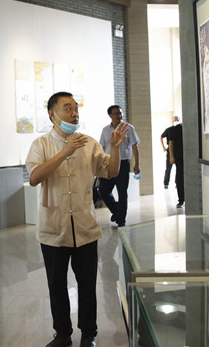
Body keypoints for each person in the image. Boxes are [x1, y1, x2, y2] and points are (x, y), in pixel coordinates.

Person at [25, 92, 128, 347]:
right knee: (56, 285)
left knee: (87, 285)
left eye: (76, 108)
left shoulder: (89, 143)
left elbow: (111, 170)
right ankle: (62, 334)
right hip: (53, 230)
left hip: (85, 228)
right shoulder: (40, 144)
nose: (74, 114)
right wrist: (64, 152)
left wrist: (115, 147)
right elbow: (35, 177)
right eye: (67, 108)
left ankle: (89, 334)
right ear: (52, 114)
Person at [97, 105, 140, 227]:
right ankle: (116, 211)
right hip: (108, 163)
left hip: (123, 163)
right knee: (103, 191)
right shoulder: (105, 130)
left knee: (122, 193)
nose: (119, 116)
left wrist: (137, 164)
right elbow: (102, 147)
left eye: (120, 113)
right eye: (116, 113)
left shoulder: (129, 128)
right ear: (110, 115)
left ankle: (121, 220)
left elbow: (135, 146)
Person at [159, 116, 180, 189]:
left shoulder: (180, 129)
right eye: (175, 120)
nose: (176, 122)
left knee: (178, 168)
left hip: (178, 149)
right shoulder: (169, 129)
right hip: (170, 149)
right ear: (172, 121)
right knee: (168, 168)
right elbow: (161, 137)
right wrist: (163, 147)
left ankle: (177, 183)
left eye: (177, 120)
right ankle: (166, 183)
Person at [168, 120, 184, 208]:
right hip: (179, 157)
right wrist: (171, 156)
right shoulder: (175, 129)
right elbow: (171, 143)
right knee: (180, 178)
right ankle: (181, 199)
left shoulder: (192, 127)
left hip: (190, 157)